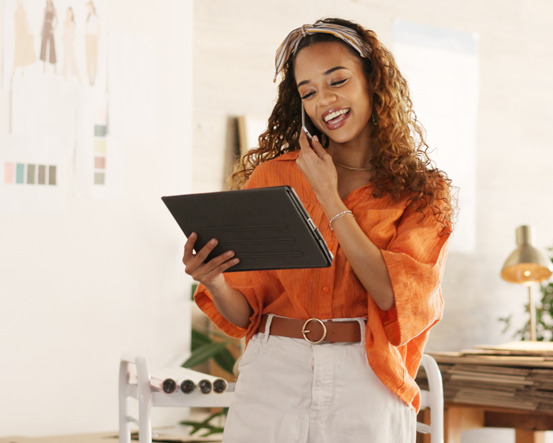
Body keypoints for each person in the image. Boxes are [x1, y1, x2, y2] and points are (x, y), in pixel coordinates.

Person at [184, 17, 454, 443]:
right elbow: (244, 314)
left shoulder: (421, 192)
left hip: (365, 376)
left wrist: (330, 197)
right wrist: (213, 279)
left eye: (337, 81)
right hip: (274, 373)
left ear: (373, 80)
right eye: (308, 91)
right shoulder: (274, 177)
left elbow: (392, 295)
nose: (324, 100)